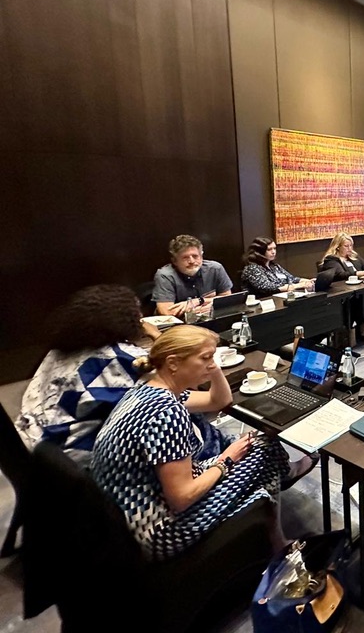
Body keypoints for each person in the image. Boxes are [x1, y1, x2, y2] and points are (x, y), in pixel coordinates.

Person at [91, 326, 315, 560]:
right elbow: (182, 498)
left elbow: (219, 399)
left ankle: (273, 528)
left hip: (131, 517)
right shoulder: (167, 414)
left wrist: (211, 367)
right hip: (159, 531)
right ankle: (276, 538)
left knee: (255, 448)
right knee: (262, 448)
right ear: (174, 363)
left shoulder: (150, 390)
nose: (212, 363)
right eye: (205, 358)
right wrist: (226, 460)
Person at [16, 285, 231, 466]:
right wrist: (157, 335)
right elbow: (204, 397)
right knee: (191, 418)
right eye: (137, 314)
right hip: (80, 463)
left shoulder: (57, 352)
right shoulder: (124, 361)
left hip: (35, 451)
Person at [153, 234, 233, 317]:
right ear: (175, 261)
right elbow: (166, 311)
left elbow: (227, 299)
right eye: (185, 257)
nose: (191, 261)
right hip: (181, 325)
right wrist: (206, 305)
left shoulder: (215, 268)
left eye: (195, 256)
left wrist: (198, 301)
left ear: (201, 257)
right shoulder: (165, 275)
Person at [319, 233, 364, 337]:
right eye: (346, 246)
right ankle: (359, 333)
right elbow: (340, 275)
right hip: (343, 295)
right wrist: (358, 273)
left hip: (359, 289)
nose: (349, 248)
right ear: (338, 246)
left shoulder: (353, 256)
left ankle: (362, 330)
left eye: (351, 245)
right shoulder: (331, 259)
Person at [240, 236, 311, 296]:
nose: (273, 252)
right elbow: (267, 287)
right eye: (269, 249)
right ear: (259, 252)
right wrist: (296, 286)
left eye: (274, 248)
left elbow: (291, 279)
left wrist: (308, 281)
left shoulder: (274, 266)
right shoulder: (252, 268)